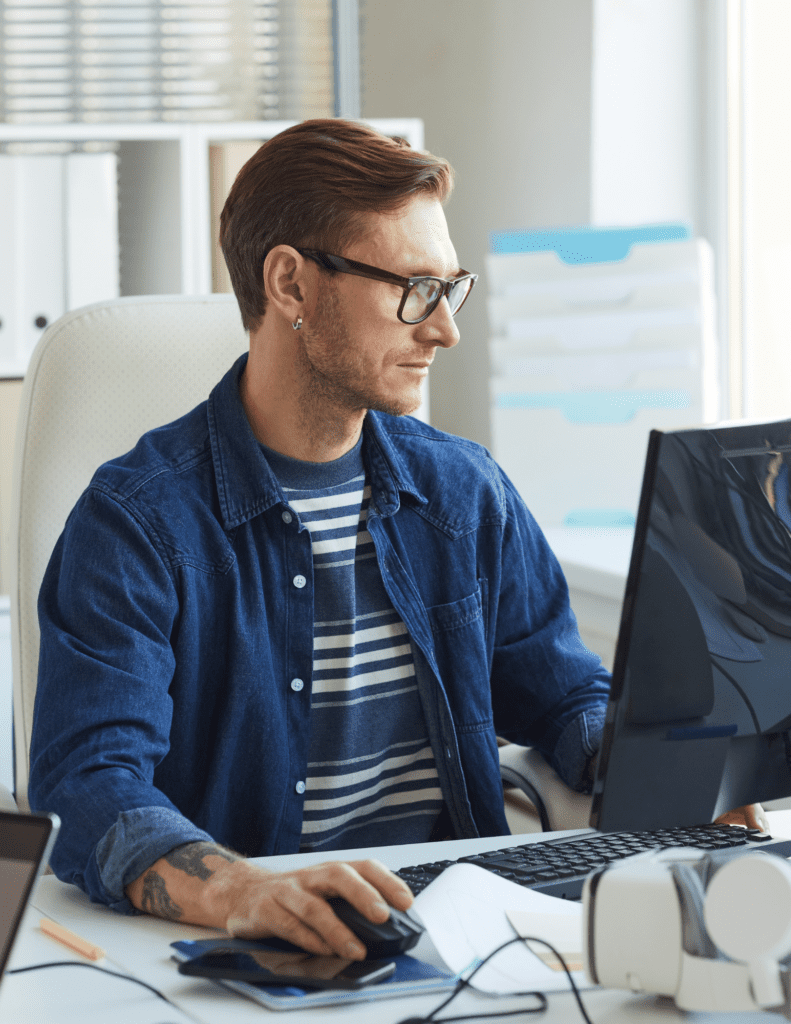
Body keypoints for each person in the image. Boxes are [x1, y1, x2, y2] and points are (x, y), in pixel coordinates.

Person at [29, 119, 613, 961]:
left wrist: (681, 767)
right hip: (252, 947)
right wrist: (238, 886)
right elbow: (88, 784)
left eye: (451, 289)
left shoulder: (463, 492)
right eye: (413, 288)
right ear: (291, 285)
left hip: (463, 932)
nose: (443, 329)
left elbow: (561, 696)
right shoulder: (139, 523)